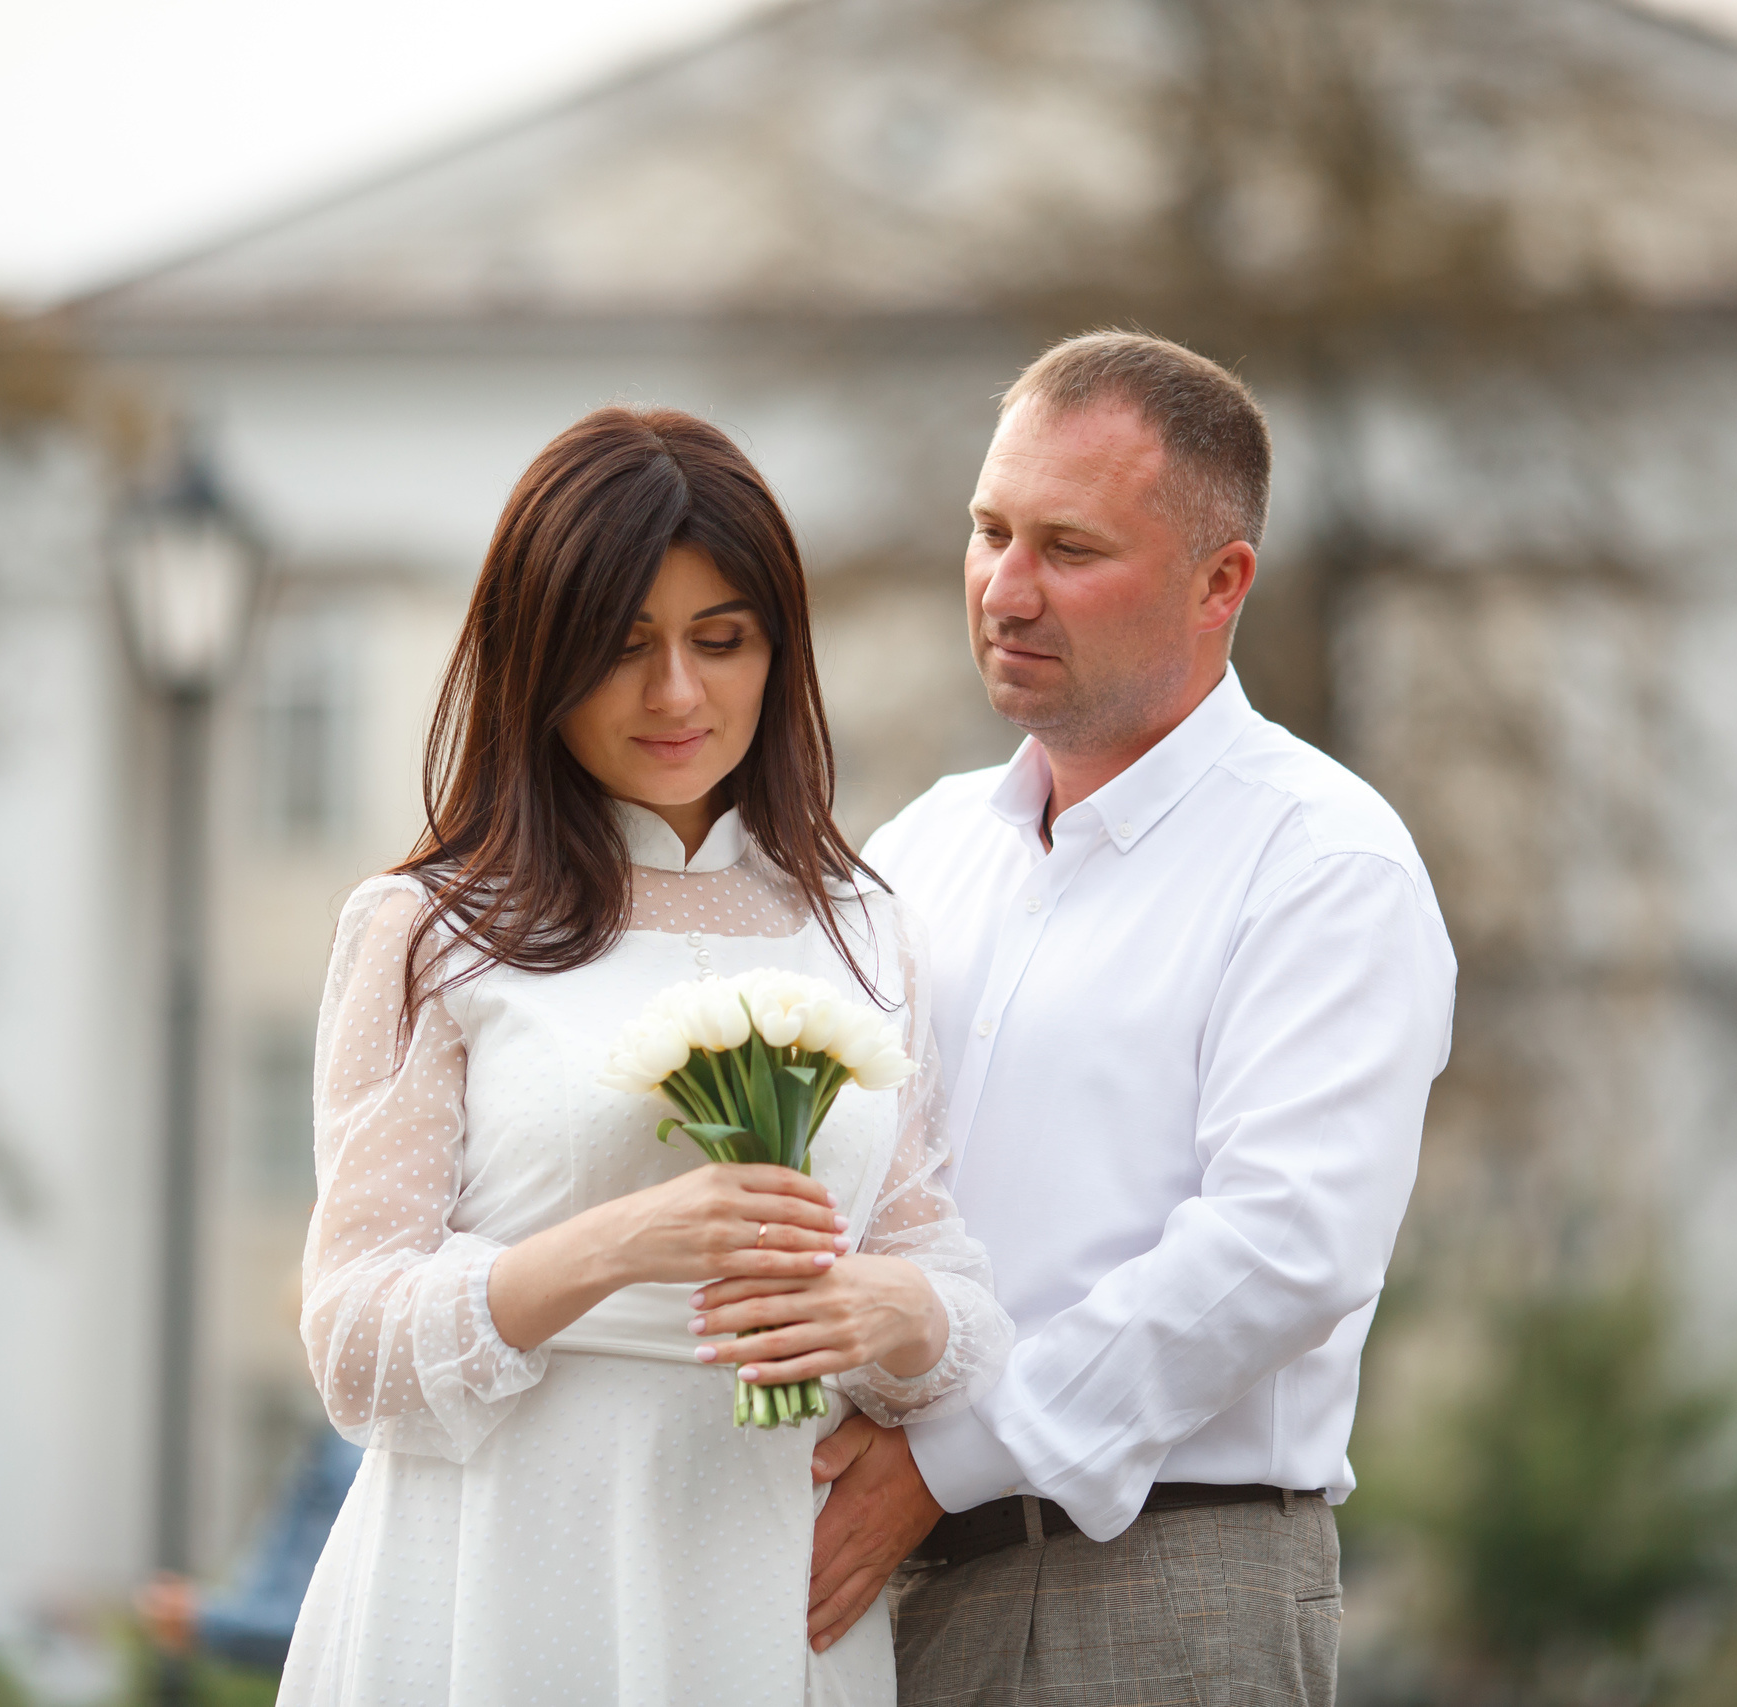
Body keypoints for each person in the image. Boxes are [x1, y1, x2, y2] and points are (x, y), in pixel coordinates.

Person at [277, 406, 1014, 1707]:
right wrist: (623, 1244)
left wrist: (883, 1312)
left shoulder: (863, 929)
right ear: (539, 661)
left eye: (720, 642)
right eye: (623, 649)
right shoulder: (430, 934)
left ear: (779, 654)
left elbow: (942, 1276)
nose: (677, 693)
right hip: (497, 1579)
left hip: (768, 1578)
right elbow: (353, 1342)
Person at [808, 331, 1458, 1704]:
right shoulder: (918, 854)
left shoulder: (1321, 862)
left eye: (1069, 547)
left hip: (1157, 1593)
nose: (1005, 587)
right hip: (878, 1589)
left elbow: (1287, 1244)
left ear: (1221, 582)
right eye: (988, 531)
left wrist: (943, 1461)